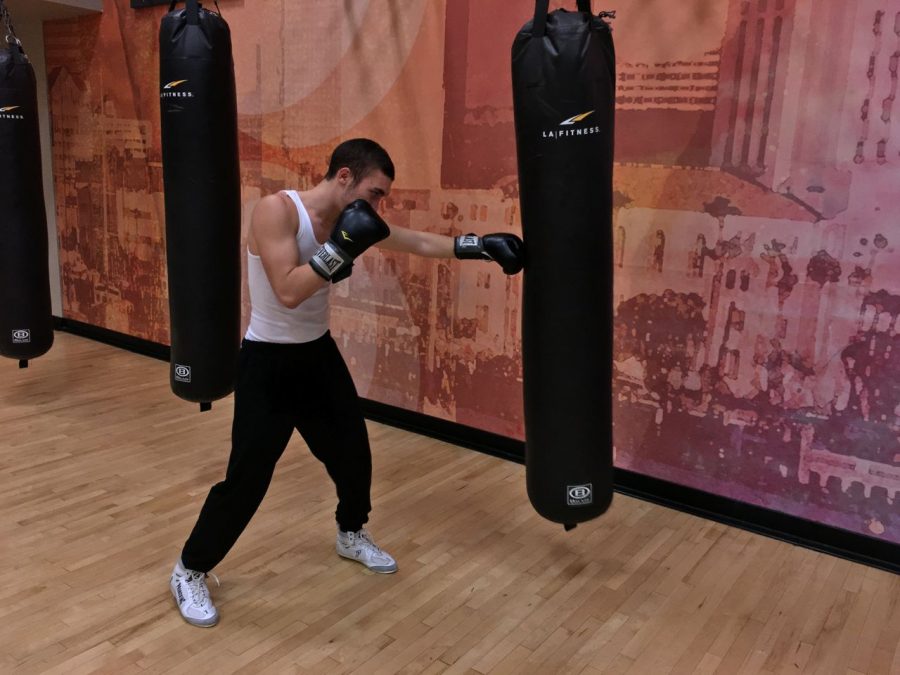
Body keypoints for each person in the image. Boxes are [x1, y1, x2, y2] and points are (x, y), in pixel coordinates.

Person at [170, 138, 524, 627]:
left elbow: (415, 241)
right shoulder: (277, 211)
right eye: (375, 193)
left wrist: (479, 246)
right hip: (267, 363)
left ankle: (349, 532)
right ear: (344, 178)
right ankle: (190, 568)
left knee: (354, 457)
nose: (379, 206)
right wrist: (338, 250)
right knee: (246, 482)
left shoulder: (350, 221)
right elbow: (290, 291)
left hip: (317, 357)